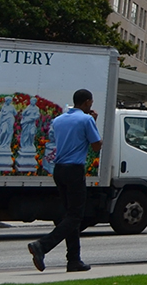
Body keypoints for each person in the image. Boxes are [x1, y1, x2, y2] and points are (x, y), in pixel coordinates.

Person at [27, 89, 100, 273]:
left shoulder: (58, 120)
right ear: (86, 103)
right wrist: (94, 122)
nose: (91, 106)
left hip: (58, 169)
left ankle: (74, 260)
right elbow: (96, 146)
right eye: (90, 103)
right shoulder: (87, 119)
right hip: (75, 169)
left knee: (70, 216)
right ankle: (42, 246)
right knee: (75, 216)